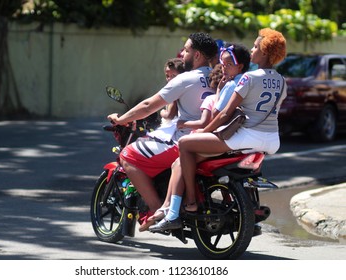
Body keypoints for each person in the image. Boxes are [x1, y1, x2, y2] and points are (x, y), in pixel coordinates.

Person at [149, 28, 287, 232]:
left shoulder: (249, 78)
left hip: (246, 137)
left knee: (186, 145)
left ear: (265, 52)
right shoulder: (282, 81)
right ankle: (247, 209)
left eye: (256, 46)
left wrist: (204, 132)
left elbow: (224, 114)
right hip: (271, 141)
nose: (252, 49)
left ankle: (190, 202)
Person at [107, 33, 218, 231]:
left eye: (186, 50)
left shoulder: (186, 79)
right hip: (211, 140)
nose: (183, 54)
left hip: (184, 141)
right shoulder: (218, 77)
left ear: (198, 55)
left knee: (128, 155)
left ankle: (156, 209)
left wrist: (122, 119)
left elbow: (149, 105)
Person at [147, 43, 252, 231]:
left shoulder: (227, 89)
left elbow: (219, 114)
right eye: (223, 64)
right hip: (246, 139)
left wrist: (201, 130)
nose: (225, 68)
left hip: (222, 137)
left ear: (240, 66)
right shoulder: (247, 84)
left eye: (229, 64)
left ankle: (180, 207)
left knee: (180, 157)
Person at [159, 58, 185, 124]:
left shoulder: (173, 91)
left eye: (173, 75)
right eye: (167, 76)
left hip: (173, 127)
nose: (169, 79)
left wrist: (162, 112)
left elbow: (169, 116)